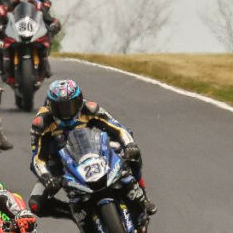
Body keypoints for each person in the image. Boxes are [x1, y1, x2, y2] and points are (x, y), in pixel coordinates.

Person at [29, 79, 157, 217]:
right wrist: (46, 177)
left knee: (133, 155)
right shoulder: (41, 123)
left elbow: (118, 129)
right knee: (36, 204)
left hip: (94, 152)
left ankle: (143, 196)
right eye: (60, 108)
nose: (67, 112)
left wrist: (129, 145)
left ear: (79, 100)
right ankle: (76, 215)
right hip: (59, 166)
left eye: (70, 105)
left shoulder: (90, 108)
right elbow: (37, 159)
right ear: (51, 106)